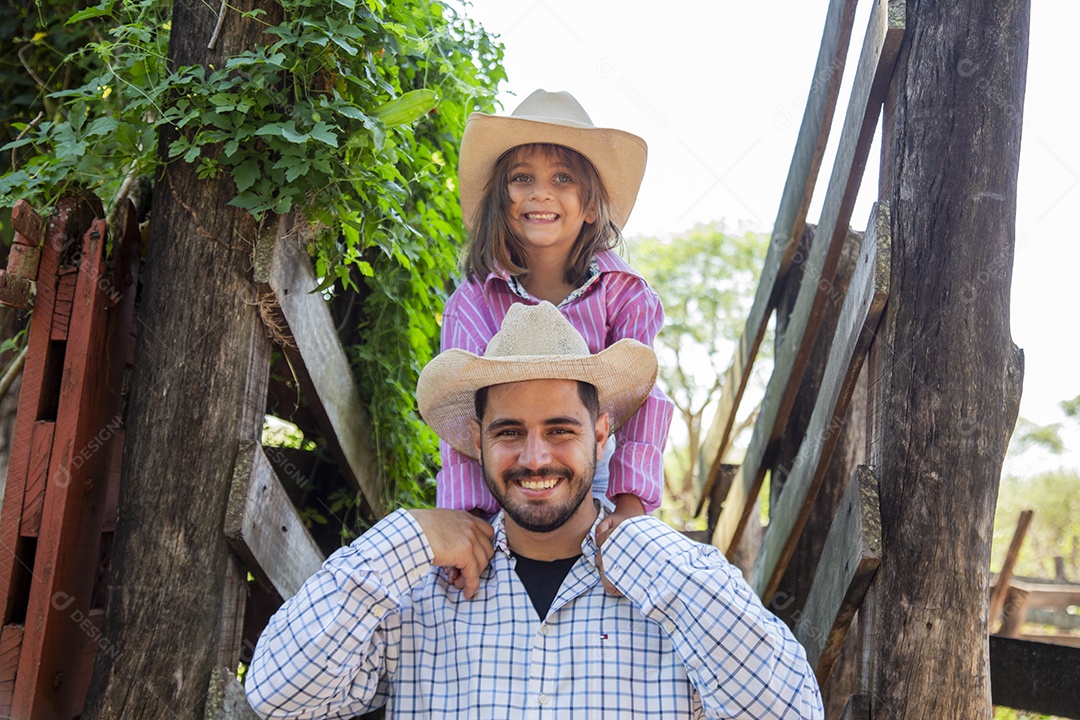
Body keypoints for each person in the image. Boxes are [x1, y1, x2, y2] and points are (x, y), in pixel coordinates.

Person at [246, 302, 825, 719]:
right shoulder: (418, 594)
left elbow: (791, 711)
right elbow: (277, 694)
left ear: (601, 431)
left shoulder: (674, 589)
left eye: (560, 429)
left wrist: (641, 548)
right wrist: (404, 538)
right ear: (476, 441)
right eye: (509, 432)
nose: (534, 457)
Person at [440, 88, 674, 544]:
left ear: (591, 207)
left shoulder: (625, 292)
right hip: (504, 466)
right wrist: (467, 518)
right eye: (522, 178)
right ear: (501, 200)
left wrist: (628, 510)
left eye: (563, 178)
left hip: (598, 464)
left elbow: (645, 399)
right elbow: (460, 405)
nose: (541, 193)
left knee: (625, 552)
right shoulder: (472, 301)